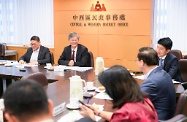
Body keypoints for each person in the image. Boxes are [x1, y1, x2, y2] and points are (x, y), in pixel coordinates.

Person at [79, 65, 158, 122]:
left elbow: (121, 116)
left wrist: (91, 118)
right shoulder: (144, 99)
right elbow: (117, 117)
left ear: (114, 89)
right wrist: (98, 112)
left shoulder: (125, 113)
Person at [137, 47, 176, 120]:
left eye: (137, 60)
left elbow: (134, 101)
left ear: (142, 62)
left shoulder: (152, 81)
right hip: (168, 116)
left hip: (158, 119)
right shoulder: (163, 73)